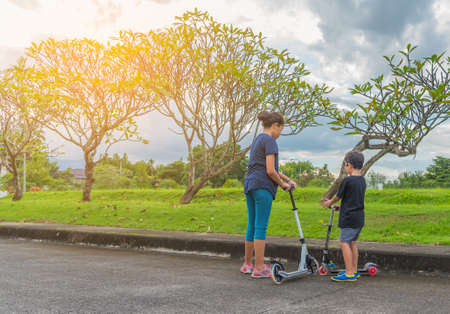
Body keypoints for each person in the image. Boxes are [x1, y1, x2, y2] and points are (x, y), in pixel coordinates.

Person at [240, 111, 297, 278]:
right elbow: (271, 171)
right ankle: (259, 268)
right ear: (275, 126)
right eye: (281, 129)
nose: (280, 133)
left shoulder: (258, 139)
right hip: (262, 186)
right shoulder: (270, 141)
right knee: (261, 227)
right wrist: (283, 185)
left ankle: (247, 264)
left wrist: (287, 179)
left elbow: (268, 167)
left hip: (250, 184)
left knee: (252, 224)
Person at [322, 151, 366, 282]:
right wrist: (340, 207)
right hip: (358, 218)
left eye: (345, 164)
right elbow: (353, 200)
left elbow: (337, 197)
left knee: (344, 242)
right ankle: (354, 270)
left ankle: (348, 273)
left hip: (348, 219)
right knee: (352, 243)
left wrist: (329, 202)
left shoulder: (347, 180)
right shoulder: (362, 181)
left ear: (350, 165)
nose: (346, 167)